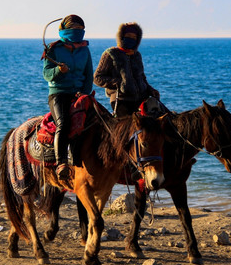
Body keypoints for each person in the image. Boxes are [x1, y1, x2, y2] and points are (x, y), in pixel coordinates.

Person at [42, 14, 93, 181]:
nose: (77, 32)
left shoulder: (85, 49)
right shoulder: (53, 49)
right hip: (58, 93)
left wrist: (84, 95)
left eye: (80, 29)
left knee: (97, 123)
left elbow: (88, 75)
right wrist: (58, 71)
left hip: (79, 94)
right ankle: (61, 163)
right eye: (73, 29)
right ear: (64, 30)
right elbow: (47, 74)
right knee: (63, 123)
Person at [94, 22, 159, 117]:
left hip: (141, 99)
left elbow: (142, 78)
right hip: (121, 100)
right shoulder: (111, 54)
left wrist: (151, 90)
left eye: (134, 37)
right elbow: (97, 78)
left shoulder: (136, 55)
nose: (131, 39)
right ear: (121, 36)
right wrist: (118, 82)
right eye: (128, 36)